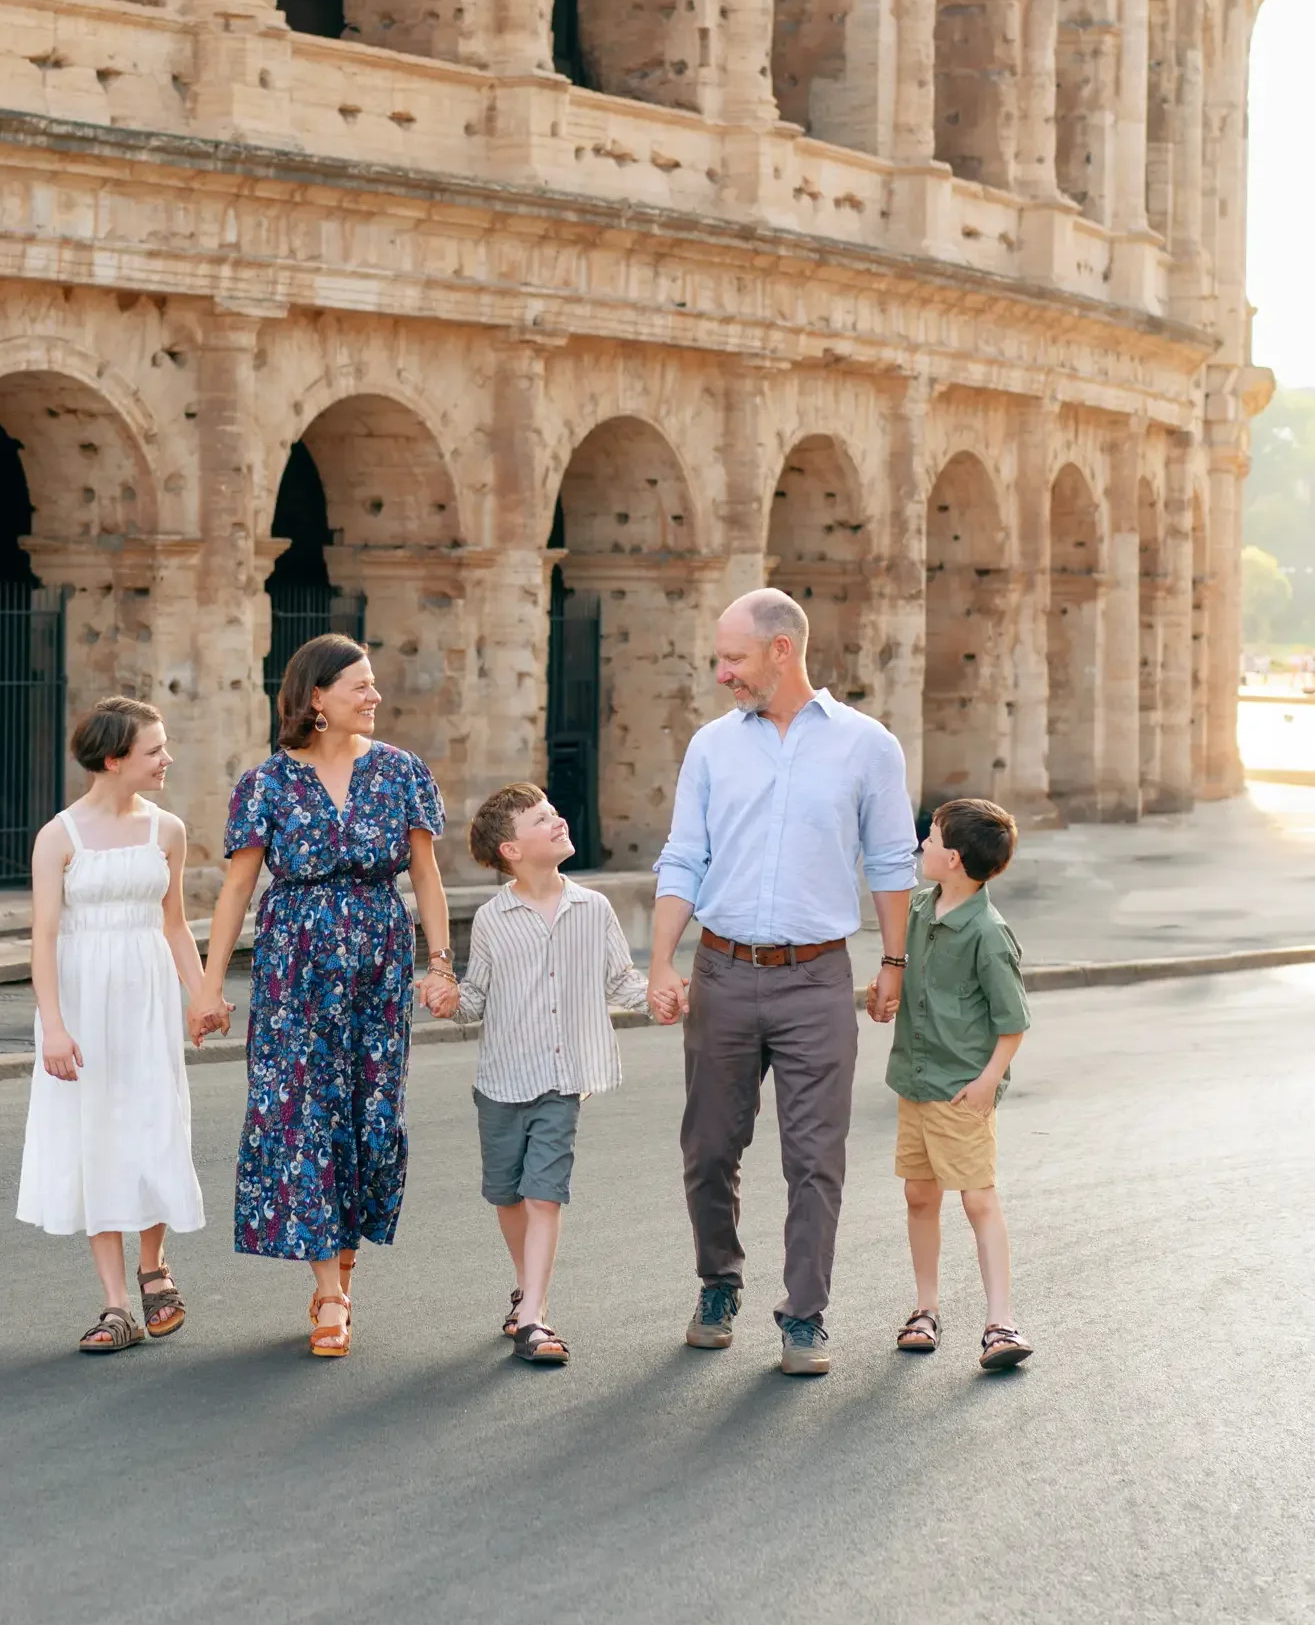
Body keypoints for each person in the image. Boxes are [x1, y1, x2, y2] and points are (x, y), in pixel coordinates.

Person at [649, 589, 917, 1375]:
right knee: (707, 1147)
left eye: (732, 657)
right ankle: (717, 1283)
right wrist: (661, 961)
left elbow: (892, 861)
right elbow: (682, 858)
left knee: (814, 1156)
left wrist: (893, 962)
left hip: (816, 979)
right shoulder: (710, 747)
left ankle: (803, 1317)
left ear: (781, 651)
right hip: (722, 970)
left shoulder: (867, 746)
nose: (721, 672)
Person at [194, 635, 451, 1359]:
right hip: (294, 966)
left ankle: (342, 1263)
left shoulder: (401, 772)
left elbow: (426, 877)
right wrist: (210, 986)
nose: (373, 696)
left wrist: (440, 964)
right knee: (303, 1113)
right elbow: (237, 889)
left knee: (372, 1114)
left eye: (373, 685)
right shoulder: (265, 784)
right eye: (359, 686)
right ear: (316, 698)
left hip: (377, 958)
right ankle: (331, 1296)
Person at [426, 782, 650, 1367]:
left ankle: (533, 1319)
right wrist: (447, 998)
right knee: (507, 1193)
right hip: (502, 1079)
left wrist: (670, 995)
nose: (557, 821)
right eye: (540, 818)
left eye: (555, 812)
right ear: (510, 851)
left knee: (544, 1194)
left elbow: (624, 984)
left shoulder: (593, 908)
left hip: (563, 1078)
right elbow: (475, 999)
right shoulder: (494, 920)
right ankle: (525, 1290)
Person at [17, 696, 212, 1356]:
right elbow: (42, 938)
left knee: (155, 1128)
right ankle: (116, 1306)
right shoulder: (59, 837)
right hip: (82, 999)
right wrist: (53, 1027)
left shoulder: (168, 831)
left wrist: (202, 994)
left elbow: (175, 924)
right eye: (154, 749)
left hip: (147, 994)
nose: (167, 759)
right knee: (95, 1137)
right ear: (114, 759)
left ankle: (154, 1267)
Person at [868, 796, 1033, 1371]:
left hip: (961, 1089)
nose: (922, 847)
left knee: (978, 1200)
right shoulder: (917, 908)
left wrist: (989, 1081)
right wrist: (882, 994)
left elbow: (1013, 1022)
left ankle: (1001, 1324)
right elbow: (902, 974)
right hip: (913, 1079)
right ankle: (925, 1309)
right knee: (919, 1195)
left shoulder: (988, 933)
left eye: (932, 839)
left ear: (955, 859)